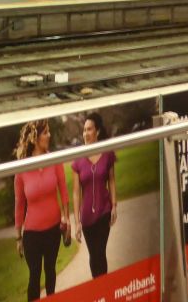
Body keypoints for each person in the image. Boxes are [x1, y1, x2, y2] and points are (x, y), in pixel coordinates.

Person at [14, 119, 69, 301]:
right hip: (32, 235)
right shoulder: (22, 169)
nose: (49, 135)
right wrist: (18, 237)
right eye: (45, 132)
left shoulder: (54, 160)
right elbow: (19, 203)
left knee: (51, 272)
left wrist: (66, 219)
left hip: (53, 230)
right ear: (35, 137)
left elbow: (63, 190)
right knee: (34, 276)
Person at [72, 112, 117, 278]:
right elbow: (76, 193)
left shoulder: (107, 154)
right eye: (84, 130)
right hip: (87, 218)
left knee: (100, 251)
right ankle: (99, 289)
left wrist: (115, 205)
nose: (85, 133)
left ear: (97, 132)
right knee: (93, 255)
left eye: (89, 129)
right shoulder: (77, 160)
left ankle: (103, 288)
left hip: (104, 211)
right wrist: (77, 222)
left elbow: (112, 181)